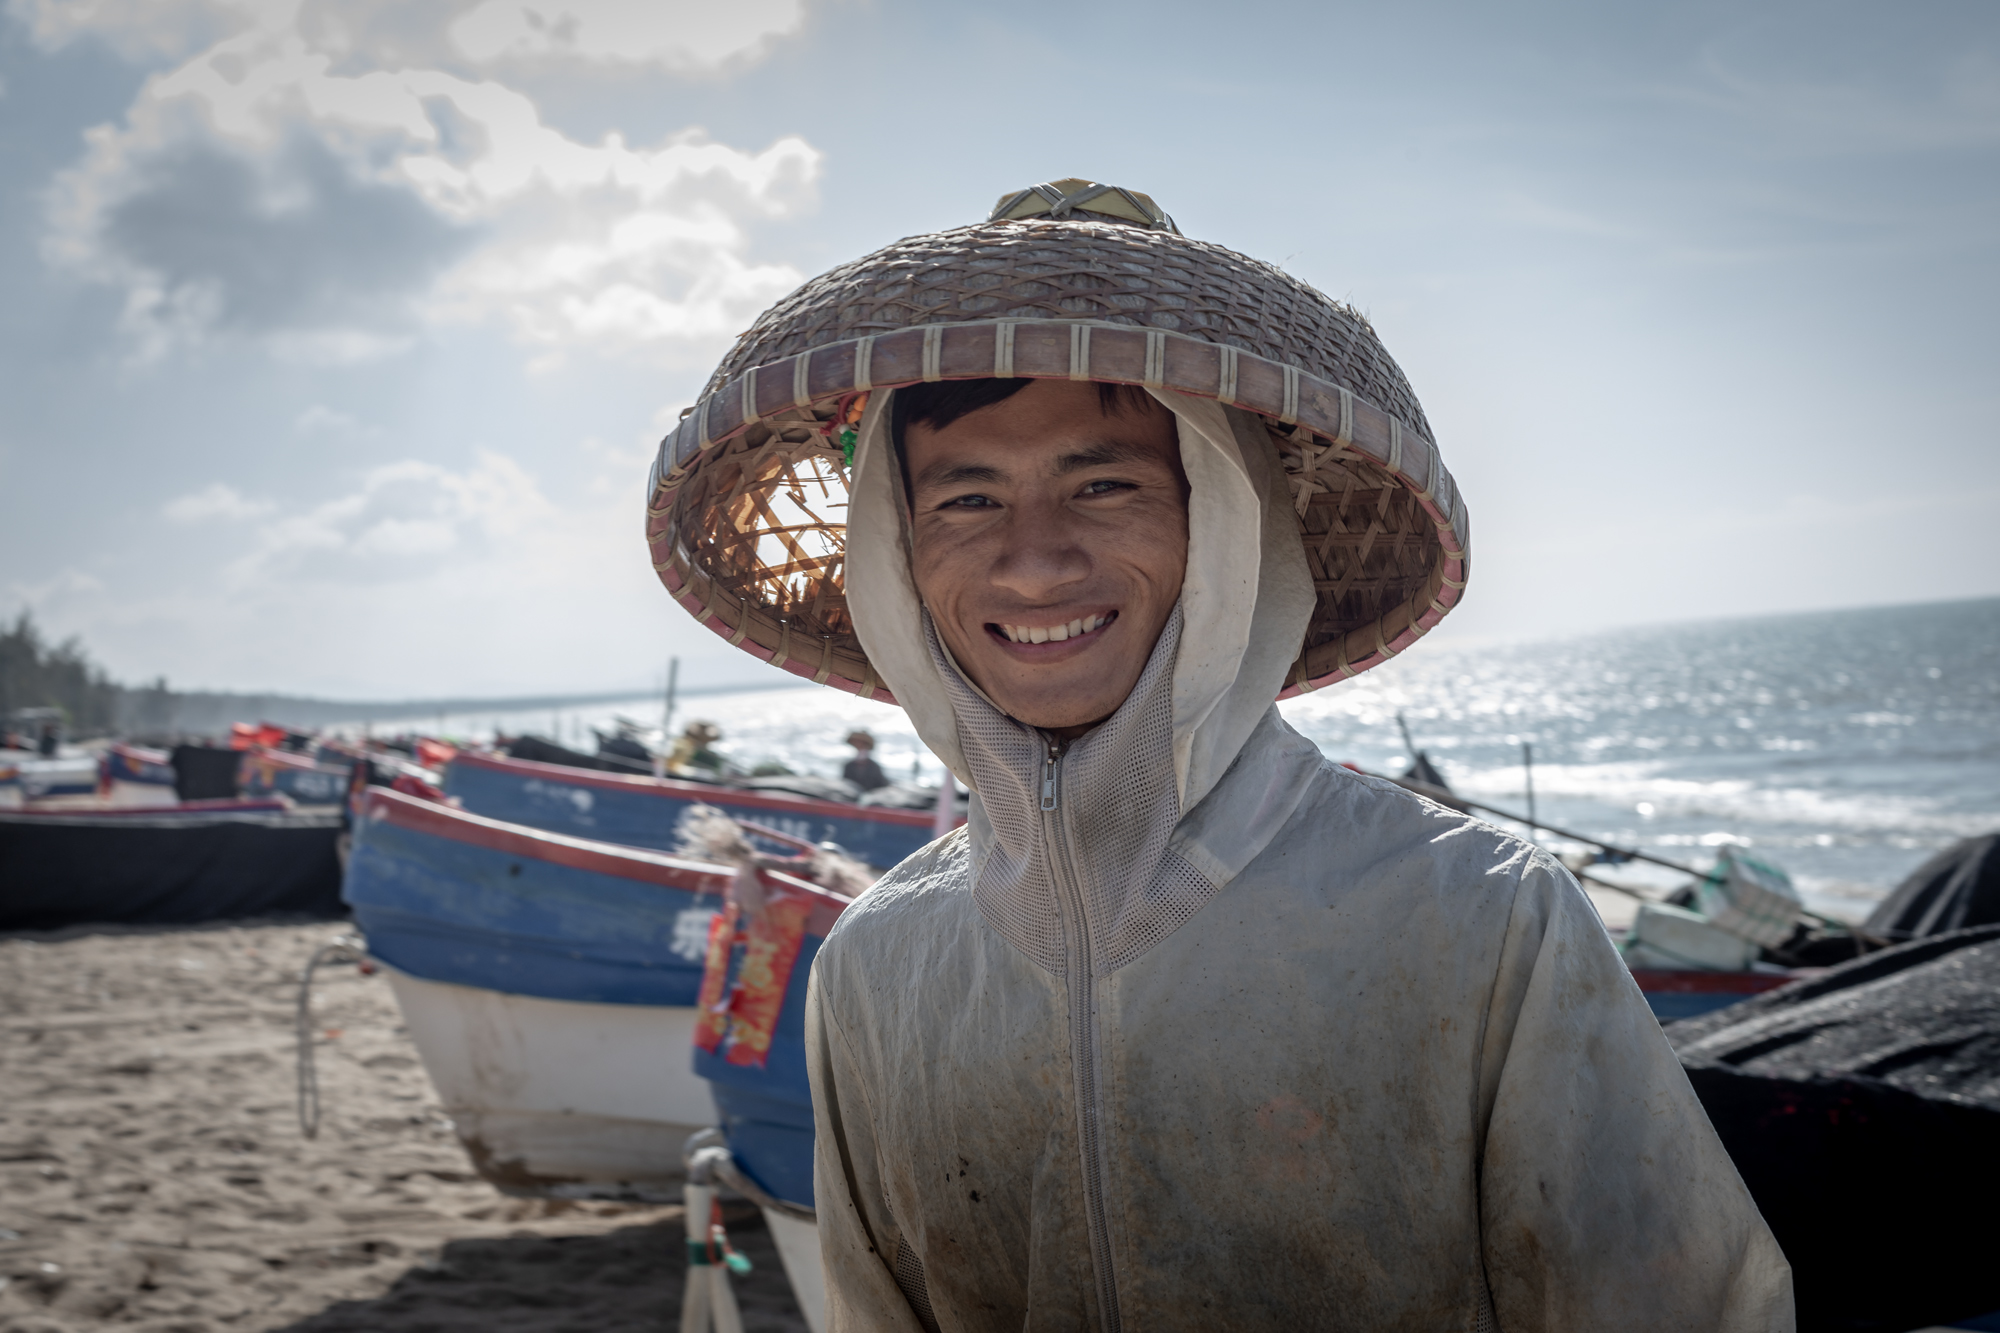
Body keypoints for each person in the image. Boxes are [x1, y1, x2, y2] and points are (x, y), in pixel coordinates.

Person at [643, 180, 1792, 1331]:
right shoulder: (875, 965)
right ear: (895, 554)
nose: (1034, 562)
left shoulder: (1484, 921)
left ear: (1227, 524)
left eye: (1104, 483)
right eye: (967, 497)